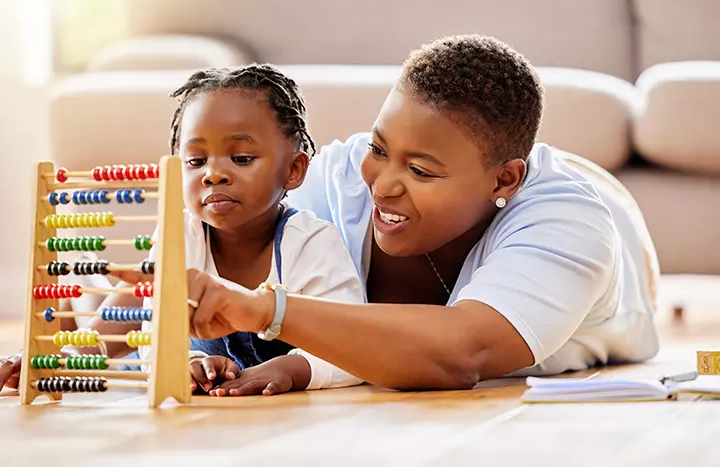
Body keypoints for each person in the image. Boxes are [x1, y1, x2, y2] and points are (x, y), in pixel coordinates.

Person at [183, 34, 661, 392]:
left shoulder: (571, 225)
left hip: (611, 224)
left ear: (504, 181)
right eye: (378, 147)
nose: (383, 185)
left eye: (420, 170)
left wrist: (265, 308)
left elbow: (460, 355)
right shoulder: (336, 180)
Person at [0, 65, 366, 396]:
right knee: (117, 308)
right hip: (151, 362)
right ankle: (79, 293)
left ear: (294, 171)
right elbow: (149, 332)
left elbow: (353, 345)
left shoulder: (311, 244)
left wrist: (293, 368)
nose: (213, 174)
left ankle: (88, 291)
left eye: (241, 158)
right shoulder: (183, 234)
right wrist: (184, 360)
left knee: (130, 296)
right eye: (196, 161)